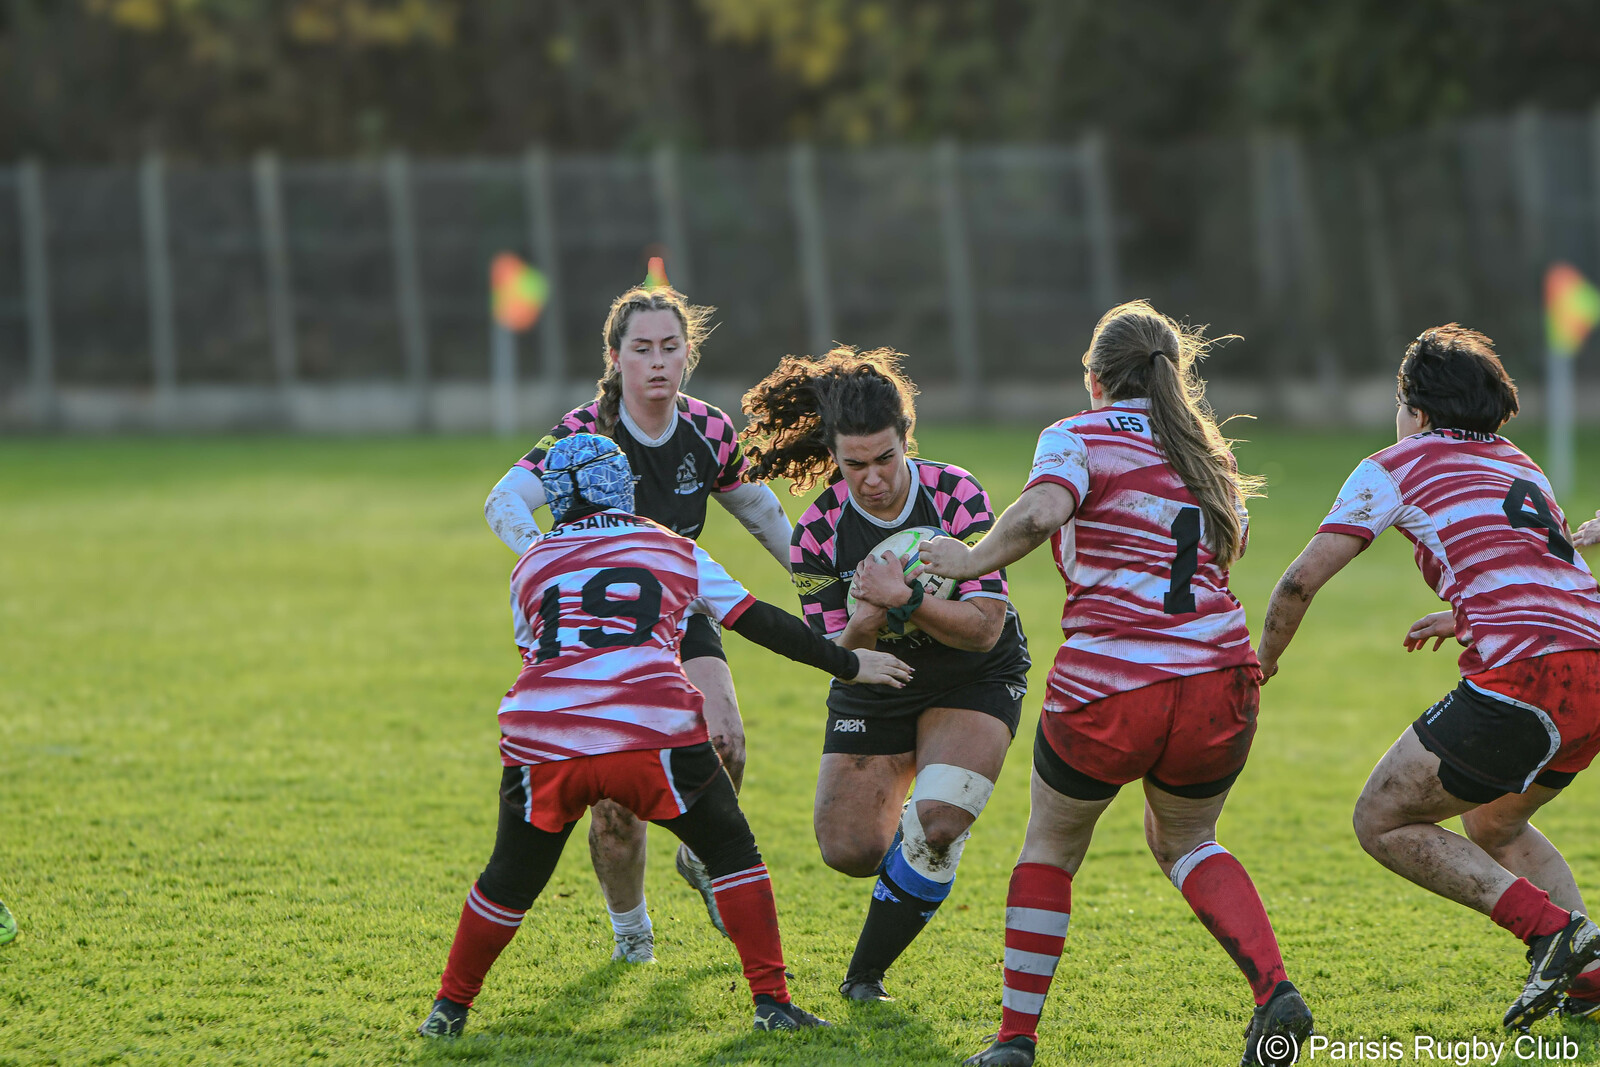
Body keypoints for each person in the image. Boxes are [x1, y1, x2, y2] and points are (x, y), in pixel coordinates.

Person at [917, 301, 1309, 1067]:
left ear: (1093, 378)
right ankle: (1273, 989)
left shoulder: (1075, 434)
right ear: (1173, 377)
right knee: (1191, 839)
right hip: (1220, 679)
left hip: (1111, 684)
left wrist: (965, 559)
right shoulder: (1209, 453)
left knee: (1051, 848)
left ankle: (1014, 1041)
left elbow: (1038, 514)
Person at [418, 433, 913, 1039]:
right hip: (652, 732)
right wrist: (851, 662)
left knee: (507, 881)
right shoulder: (669, 547)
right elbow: (758, 621)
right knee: (732, 856)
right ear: (623, 487)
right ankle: (772, 1002)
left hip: (544, 738)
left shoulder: (532, 563)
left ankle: (449, 1007)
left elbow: (535, 651)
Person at [1257, 324, 1600, 1030]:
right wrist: (1463, 618)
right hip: (1591, 668)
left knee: (1381, 818)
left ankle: (1551, 931)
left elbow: (1298, 582)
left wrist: (1262, 659)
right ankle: (1592, 974)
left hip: (1526, 675)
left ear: (1414, 408)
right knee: (1494, 821)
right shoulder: (1522, 464)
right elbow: (1541, 577)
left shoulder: (1397, 462)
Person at [484, 285, 793, 961]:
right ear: (616, 357)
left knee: (727, 743)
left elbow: (765, 515)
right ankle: (632, 933)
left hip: (681, 616)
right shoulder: (582, 432)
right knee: (615, 808)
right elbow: (503, 498)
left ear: (689, 355)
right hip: (600, 631)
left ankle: (700, 856)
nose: (658, 362)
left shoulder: (710, 430)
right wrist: (549, 556)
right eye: (642, 348)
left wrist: (820, 588)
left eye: (671, 347)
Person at [739, 347, 1032, 1004]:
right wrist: (866, 615)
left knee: (939, 822)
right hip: (873, 676)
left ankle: (863, 974)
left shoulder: (956, 493)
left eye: (884, 460)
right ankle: (917, 828)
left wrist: (906, 600)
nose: (872, 479)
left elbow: (985, 625)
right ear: (836, 457)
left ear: (907, 439)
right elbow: (831, 650)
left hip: (972, 673)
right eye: (854, 465)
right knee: (847, 848)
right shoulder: (815, 533)